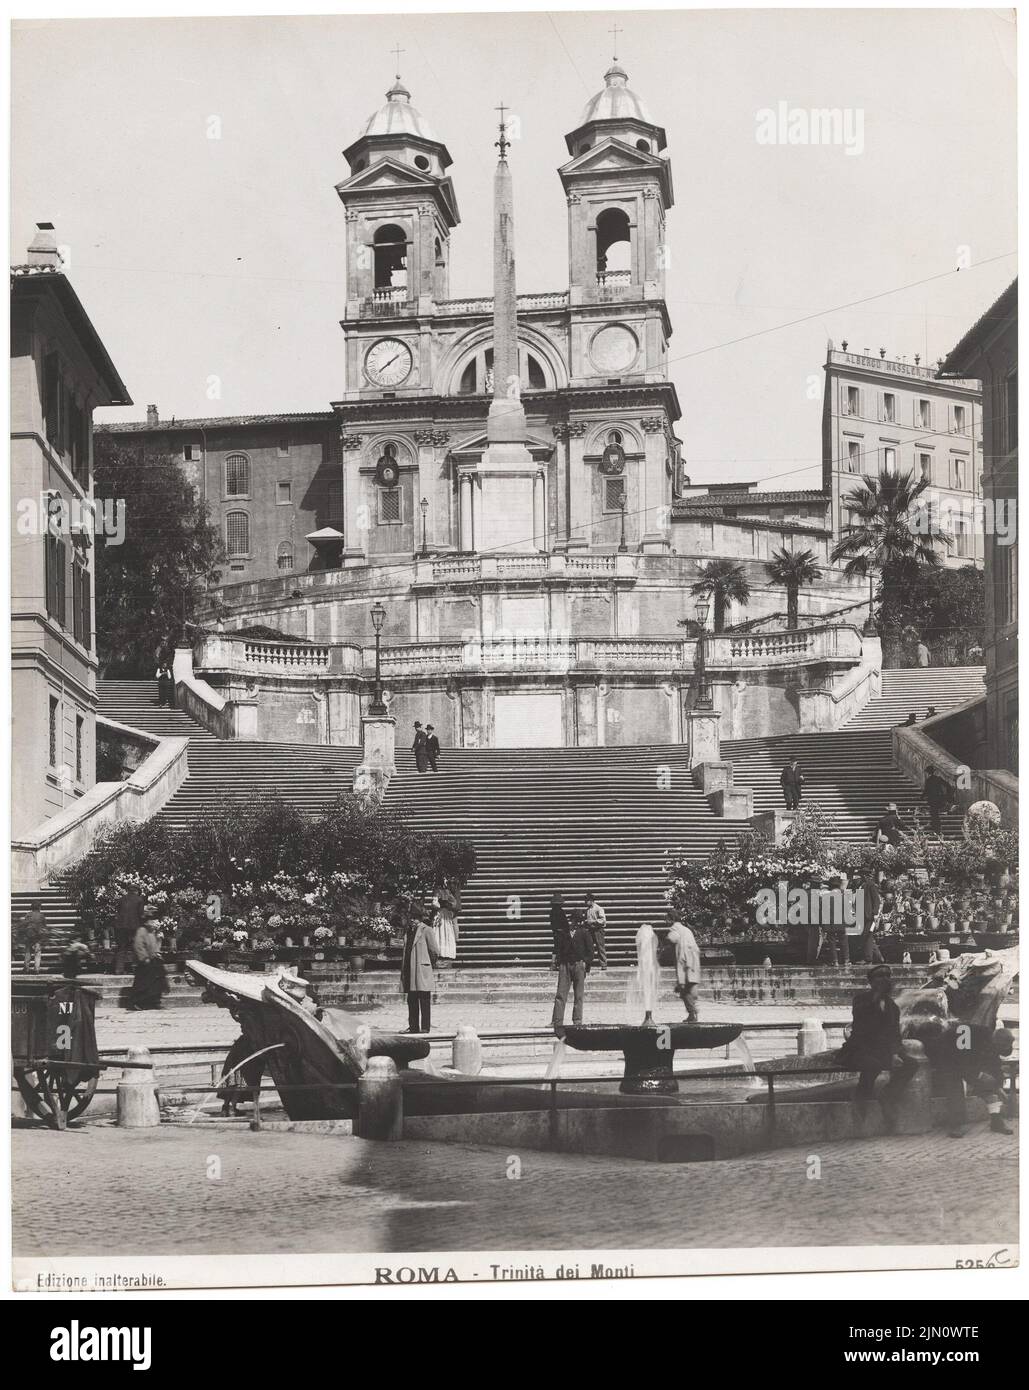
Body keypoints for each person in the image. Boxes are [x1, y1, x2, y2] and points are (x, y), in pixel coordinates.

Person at [836, 964, 917, 1127]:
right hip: (859, 1050)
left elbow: (895, 1034)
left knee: (912, 1064)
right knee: (872, 1065)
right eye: (880, 977)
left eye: (887, 976)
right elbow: (861, 1026)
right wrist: (876, 999)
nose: (885, 979)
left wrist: (895, 1054)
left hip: (882, 1052)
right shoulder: (860, 1000)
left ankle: (888, 1095)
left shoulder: (892, 1007)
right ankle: (860, 1099)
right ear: (871, 982)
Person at [551, 908, 594, 1034]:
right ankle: (557, 1021)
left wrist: (585, 962)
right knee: (560, 994)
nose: (575, 923)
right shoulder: (564, 933)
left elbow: (590, 951)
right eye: (574, 920)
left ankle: (577, 1021)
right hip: (565, 965)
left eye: (578, 921)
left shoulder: (585, 933)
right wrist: (558, 962)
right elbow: (558, 948)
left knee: (578, 995)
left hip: (579, 964)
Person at [401, 905, 439, 1033]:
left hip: (421, 968)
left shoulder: (426, 930)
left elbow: (434, 950)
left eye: (415, 918)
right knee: (411, 999)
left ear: (420, 919)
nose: (412, 920)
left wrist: (427, 963)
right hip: (410, 968)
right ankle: (413, 1026)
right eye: (411, 918)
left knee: (424, 998)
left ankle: (425, 1027)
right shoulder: (408, 932)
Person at [665, 909, 701, 1021]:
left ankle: (693, 1012)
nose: (665, 921)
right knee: (689, 988)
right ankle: (693, 1012)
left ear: (671, 919)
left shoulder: (674, 929)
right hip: (693, 962)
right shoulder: (686, 930)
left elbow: (671, 938)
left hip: (685, 963)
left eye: (667, 919)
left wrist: (665, 939)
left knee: (684, 989)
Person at [127, 913, 168, 1010]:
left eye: (153, 921)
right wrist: (144, 958)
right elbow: (138, 946)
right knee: (142, 984)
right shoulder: (141, 931)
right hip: (144, 962)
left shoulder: (152, 932)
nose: (153, 922)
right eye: (151, 921)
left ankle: (153, 1001)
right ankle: (137, 1002)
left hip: (152, 961)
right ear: (146, 922)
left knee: (156, 981)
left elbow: (155, 946)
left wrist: (158, 945)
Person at [217, 1034, 265, 1117]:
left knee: (232, 1085)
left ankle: (225, 1108)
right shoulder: (250, 1040)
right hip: (241, 1066)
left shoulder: (241, 1040)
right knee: (239, 1086)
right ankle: (232, 1108)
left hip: (232, 1065)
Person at [114, 887, 145, 974]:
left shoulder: (121, 899)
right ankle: (136, 969)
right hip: (134, 927)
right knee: (136, 947)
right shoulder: (139, 900)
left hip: (120, 927)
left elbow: (118, 912)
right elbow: (141, 915)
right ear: (137, 891)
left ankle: (118, 969)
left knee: (121, 947)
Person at [856, 870, 883, 965]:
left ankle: (868, 958)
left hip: (869, 916)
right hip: (862, 915)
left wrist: (875, 913)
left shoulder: (870, 885)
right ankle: (879, 957)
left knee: (867, 936)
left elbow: (876, 900)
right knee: (867, 936)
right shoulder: (862, 885)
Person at [18, 901, 48, 973]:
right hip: (38, 937)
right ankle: (36, 969)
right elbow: (44, 927)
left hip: (29, 936)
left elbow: (24, 925)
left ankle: (26, 968)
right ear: (39, 907)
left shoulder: (28, 915)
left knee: (28, 952)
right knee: (37, 953)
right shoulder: (41, 915)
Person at [433, 886, 459, 968]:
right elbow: (435, 904)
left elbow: (454, 904)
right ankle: (439, 954)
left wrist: (449, 904)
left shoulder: (449, 891)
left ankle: (446, 955)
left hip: (446, 914)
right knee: (439, 932)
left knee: (447, 932)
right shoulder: (438, 890)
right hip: (440, 914)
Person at [923, 767, 953, 836]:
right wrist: (946, 795)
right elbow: (948, 785)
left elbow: (926, 791)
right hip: (939, 800)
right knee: (935, 814)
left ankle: (936, 830)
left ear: (928, 773)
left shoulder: (928, 780)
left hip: (932, 801)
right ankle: (937, 830)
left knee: (934, 815)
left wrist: (921, 797)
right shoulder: (938, 779)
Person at [584, 892, 607, 972]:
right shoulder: (587, 910)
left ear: (591, 900)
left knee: (600, 947)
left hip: (598, 930)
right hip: (590, 930)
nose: (585, 902)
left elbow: (603, 920)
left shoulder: (598, 908)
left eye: (587, 900)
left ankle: (603, 964)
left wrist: (593, 922)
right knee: (589, 947)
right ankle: (588, 965)